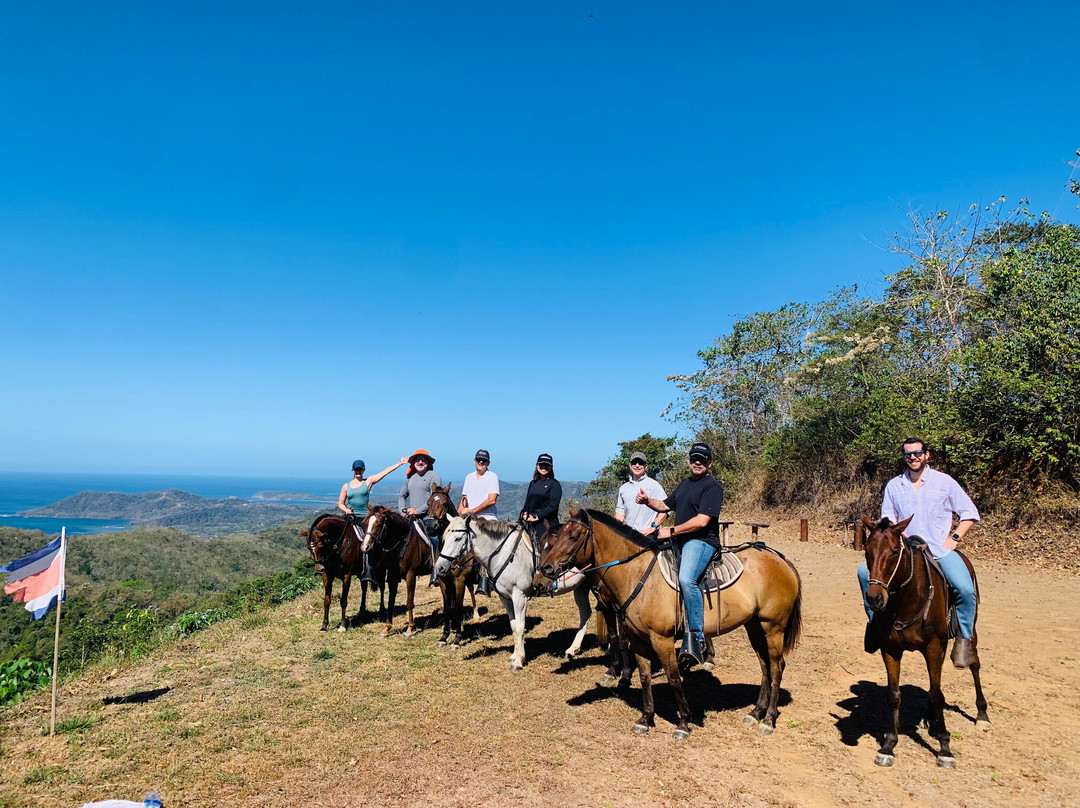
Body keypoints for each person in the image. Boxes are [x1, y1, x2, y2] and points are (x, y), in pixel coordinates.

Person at [858, 438, 981, 667]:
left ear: (927, 455)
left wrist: (953, 539)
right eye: (907, 454)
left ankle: (964, 639)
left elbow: (969, 513)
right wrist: (893, 535)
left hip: (938, 550)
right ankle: (875, 624)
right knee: (864, 574)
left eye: (917, 453)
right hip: (904, 550)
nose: (912, 457)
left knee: (964, 589)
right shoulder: (894, 485)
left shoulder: (944, 482)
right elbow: (888, 519)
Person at [636, 442, 724, 667]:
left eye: (702, 460)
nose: (697, 462)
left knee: (686, 578)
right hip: (678, 539)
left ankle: (697, 637)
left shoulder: (712, 486)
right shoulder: (685, 484)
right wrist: (648, 502)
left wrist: (671, 530)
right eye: (694, 458)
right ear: (688, 461)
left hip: (701, 541)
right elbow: (665, 505)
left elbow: (702, 521)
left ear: (709, 463)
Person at [338, 457, 408, 576]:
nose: (358, 472)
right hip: (350, 517)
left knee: (369, 540)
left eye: (360, 469)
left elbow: (384, 472)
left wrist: (399, 464)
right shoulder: (346, 486)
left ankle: (370, 569)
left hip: (365, 518)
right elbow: (340, 503)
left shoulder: (368, 482)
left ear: (363, 470)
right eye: (356, 470)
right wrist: (347, 511)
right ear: (353, 471)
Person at [398, 449, 443, 583]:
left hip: (429, 516)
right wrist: (403, 510)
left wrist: (417, 510)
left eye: (423, 459)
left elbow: (435, 498)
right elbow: (402, 496)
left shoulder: (434, 476)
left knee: (434, 538)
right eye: (417, 459)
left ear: (428, 462)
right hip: (410, 516)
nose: (420, 461)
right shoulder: (409, 478)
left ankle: (435, 568)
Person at [615, 451, 668, 537]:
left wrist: (654, 526)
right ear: (630, 465)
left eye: (640, 463)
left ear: (645, 466)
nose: (637, 465)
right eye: (634, 463)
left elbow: (666, 509)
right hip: (629, 536)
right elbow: (620, 512)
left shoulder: (654, 485)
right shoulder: (623, 488)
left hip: (647, 535)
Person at [520, 453, 562, 543]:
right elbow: (528, 501)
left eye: (547, 465)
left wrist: (537, 516)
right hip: (530, 521)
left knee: (543, 547)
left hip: (546, 523)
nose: (544, 467)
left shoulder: (554, 485)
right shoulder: (533, 483)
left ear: (551, 467)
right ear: (537, 466)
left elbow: (553, 506)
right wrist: (524, 512)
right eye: (541, 464)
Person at [459, 449, 499, 520]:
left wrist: (472, 511)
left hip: (488, 517)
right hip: (470, 517)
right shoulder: (469, 477)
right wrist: (458, 514)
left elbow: (492, 500)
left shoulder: (492, 476)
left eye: (484, 460)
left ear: (488, 463)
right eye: (479, 460)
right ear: (474, 461)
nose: (481, 462)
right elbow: (464, 498)